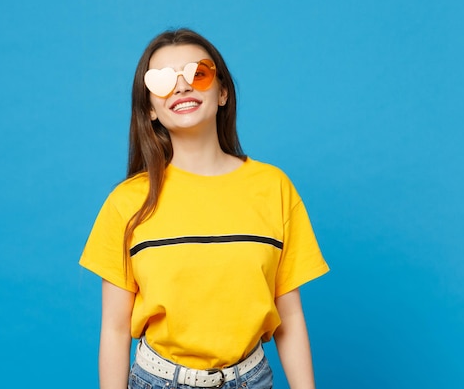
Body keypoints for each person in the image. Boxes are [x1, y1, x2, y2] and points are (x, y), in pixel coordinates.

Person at [79, 28, 329, 389]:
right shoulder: (128, 202)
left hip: (250, 380)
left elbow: (289, 317)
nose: (181, 87)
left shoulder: (273, 187)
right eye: (162, 80)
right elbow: (116, 329)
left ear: (223, 91)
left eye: (198, 73)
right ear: (149, 107)